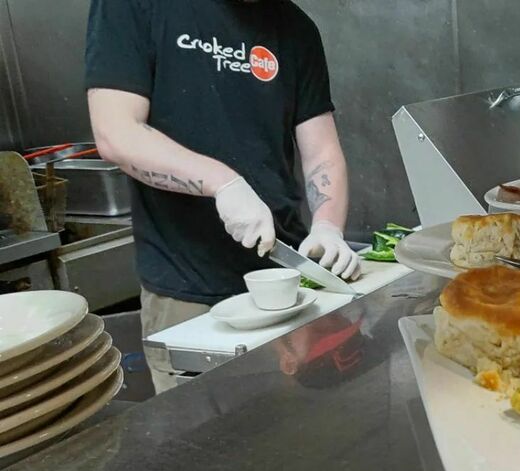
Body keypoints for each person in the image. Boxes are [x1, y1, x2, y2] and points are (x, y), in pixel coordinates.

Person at [84, 0, 361, 392]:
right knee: (200, 427)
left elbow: (322, 152)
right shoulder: (137, 6)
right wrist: (222, 182)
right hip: (189, 290)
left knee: (293, 424)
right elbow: (116, 133)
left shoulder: (295, 28)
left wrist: (328, 226)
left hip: (287, 285)